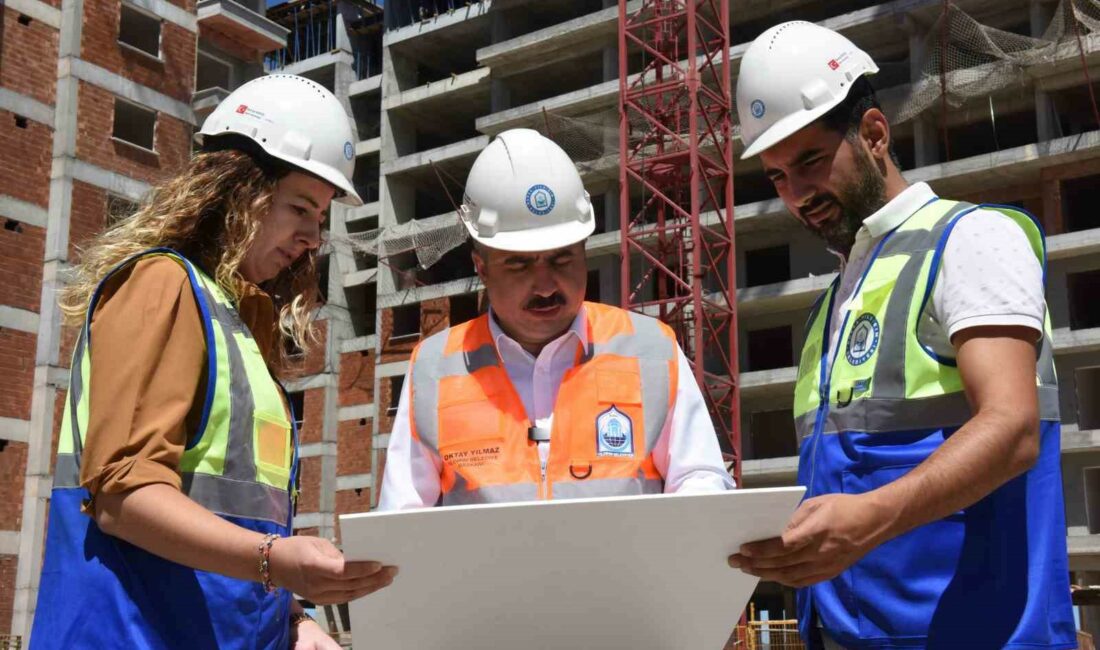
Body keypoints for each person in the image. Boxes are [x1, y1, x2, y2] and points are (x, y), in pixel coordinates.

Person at [726, 21, 1075, 649]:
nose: (798, 194)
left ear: (874, 134)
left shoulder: (970, 240)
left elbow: (1014, 427)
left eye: (809, 160)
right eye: (777, 176)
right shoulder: (831, 305)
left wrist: (866, 522)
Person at [31, 75, 396, 650]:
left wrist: (292, 620)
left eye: (321, 217)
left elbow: (236, 528)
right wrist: (277, 563)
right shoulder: (161, 285)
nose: (312, 237)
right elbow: (124, 499)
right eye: (301, 207)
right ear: (235, 189)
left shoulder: (235, 322)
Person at [378, 128, 733, 509]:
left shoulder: (652, 351)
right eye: (519, 263)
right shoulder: (434, 368)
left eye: (562, 258)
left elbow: (701, 480)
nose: (546, 284)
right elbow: (403, 517)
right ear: (482, 267)